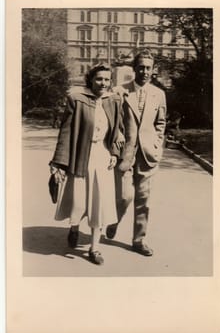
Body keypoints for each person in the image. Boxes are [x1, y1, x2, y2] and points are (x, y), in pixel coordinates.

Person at [49, 63, 123, 265]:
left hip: (103, 156)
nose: (103, 83)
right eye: (99, 79)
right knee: (79, 200)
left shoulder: (114, 101)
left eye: (107, 79)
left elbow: (118, 131)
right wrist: (58, 162)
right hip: (82, 155)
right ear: (90, 79)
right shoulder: (77, 99)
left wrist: (115, 153)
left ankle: (94, 248)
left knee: (98, 202)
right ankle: (74, 228)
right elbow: (66, 132)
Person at [107, 49, 167, 256]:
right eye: (141, 67)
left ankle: (138, 240)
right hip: (125, 152)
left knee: (144, 199)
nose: (144, 71)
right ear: (134, 69)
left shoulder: (159, 94)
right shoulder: (119, 90)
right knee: (125, 196)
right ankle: (114, 221)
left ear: (153, 70)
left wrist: (158, 144)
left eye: (148, 68)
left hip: (148, 153)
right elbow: (112, 119)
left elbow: (161, 122)